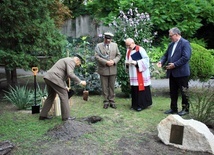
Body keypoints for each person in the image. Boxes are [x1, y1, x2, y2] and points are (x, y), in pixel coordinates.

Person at [39, 55, 86, 121]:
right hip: (54, 78)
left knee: (51, 96)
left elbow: (62, 75)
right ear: (77, 60)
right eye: (79, 64)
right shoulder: (71, 61)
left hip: (48, 77)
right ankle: (66, 117)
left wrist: (65, 86)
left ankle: (43, 115)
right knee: (64, 95)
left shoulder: (67, 60)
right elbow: (70, 74)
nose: (78, 66)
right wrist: (80, 82)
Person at [157, 27, 192, 116]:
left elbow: (186, 57)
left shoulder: (185, 43)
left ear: (176, 35)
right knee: (173, 92)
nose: (170, 37)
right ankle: (173, 108)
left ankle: (185, 109)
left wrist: (174, 64)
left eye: (171, 36)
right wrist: (161, 61)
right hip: (172, 72)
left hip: (181, 72)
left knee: (184, 92)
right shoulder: (171, 44)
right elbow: (165, 55)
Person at [95, 32, 121, 109]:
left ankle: (112, 101)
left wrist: (114, 61)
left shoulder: (115, 45)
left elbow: (118, 55)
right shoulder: (99, 46)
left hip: (113, 69)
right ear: (104, 38)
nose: (108, 41)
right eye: (107, 39)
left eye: (110, 40)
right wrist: (105, 62)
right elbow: (97, 56)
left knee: (112, 86)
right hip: (103, 69)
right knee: (104, 86)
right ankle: (106, 101)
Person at [125, 38, 152, 111]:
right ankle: (134, 104)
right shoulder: (128, 51)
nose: (128, 47)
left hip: (141, 73)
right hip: (133, 73)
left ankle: (142, 105)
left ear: (133, 43)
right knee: (134, 89)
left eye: (129, 45)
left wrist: (137, 63)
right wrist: (127, 63)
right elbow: (126, 59)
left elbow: (146, 60)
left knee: (141, 89)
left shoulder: (140, 49)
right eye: (127, 46)